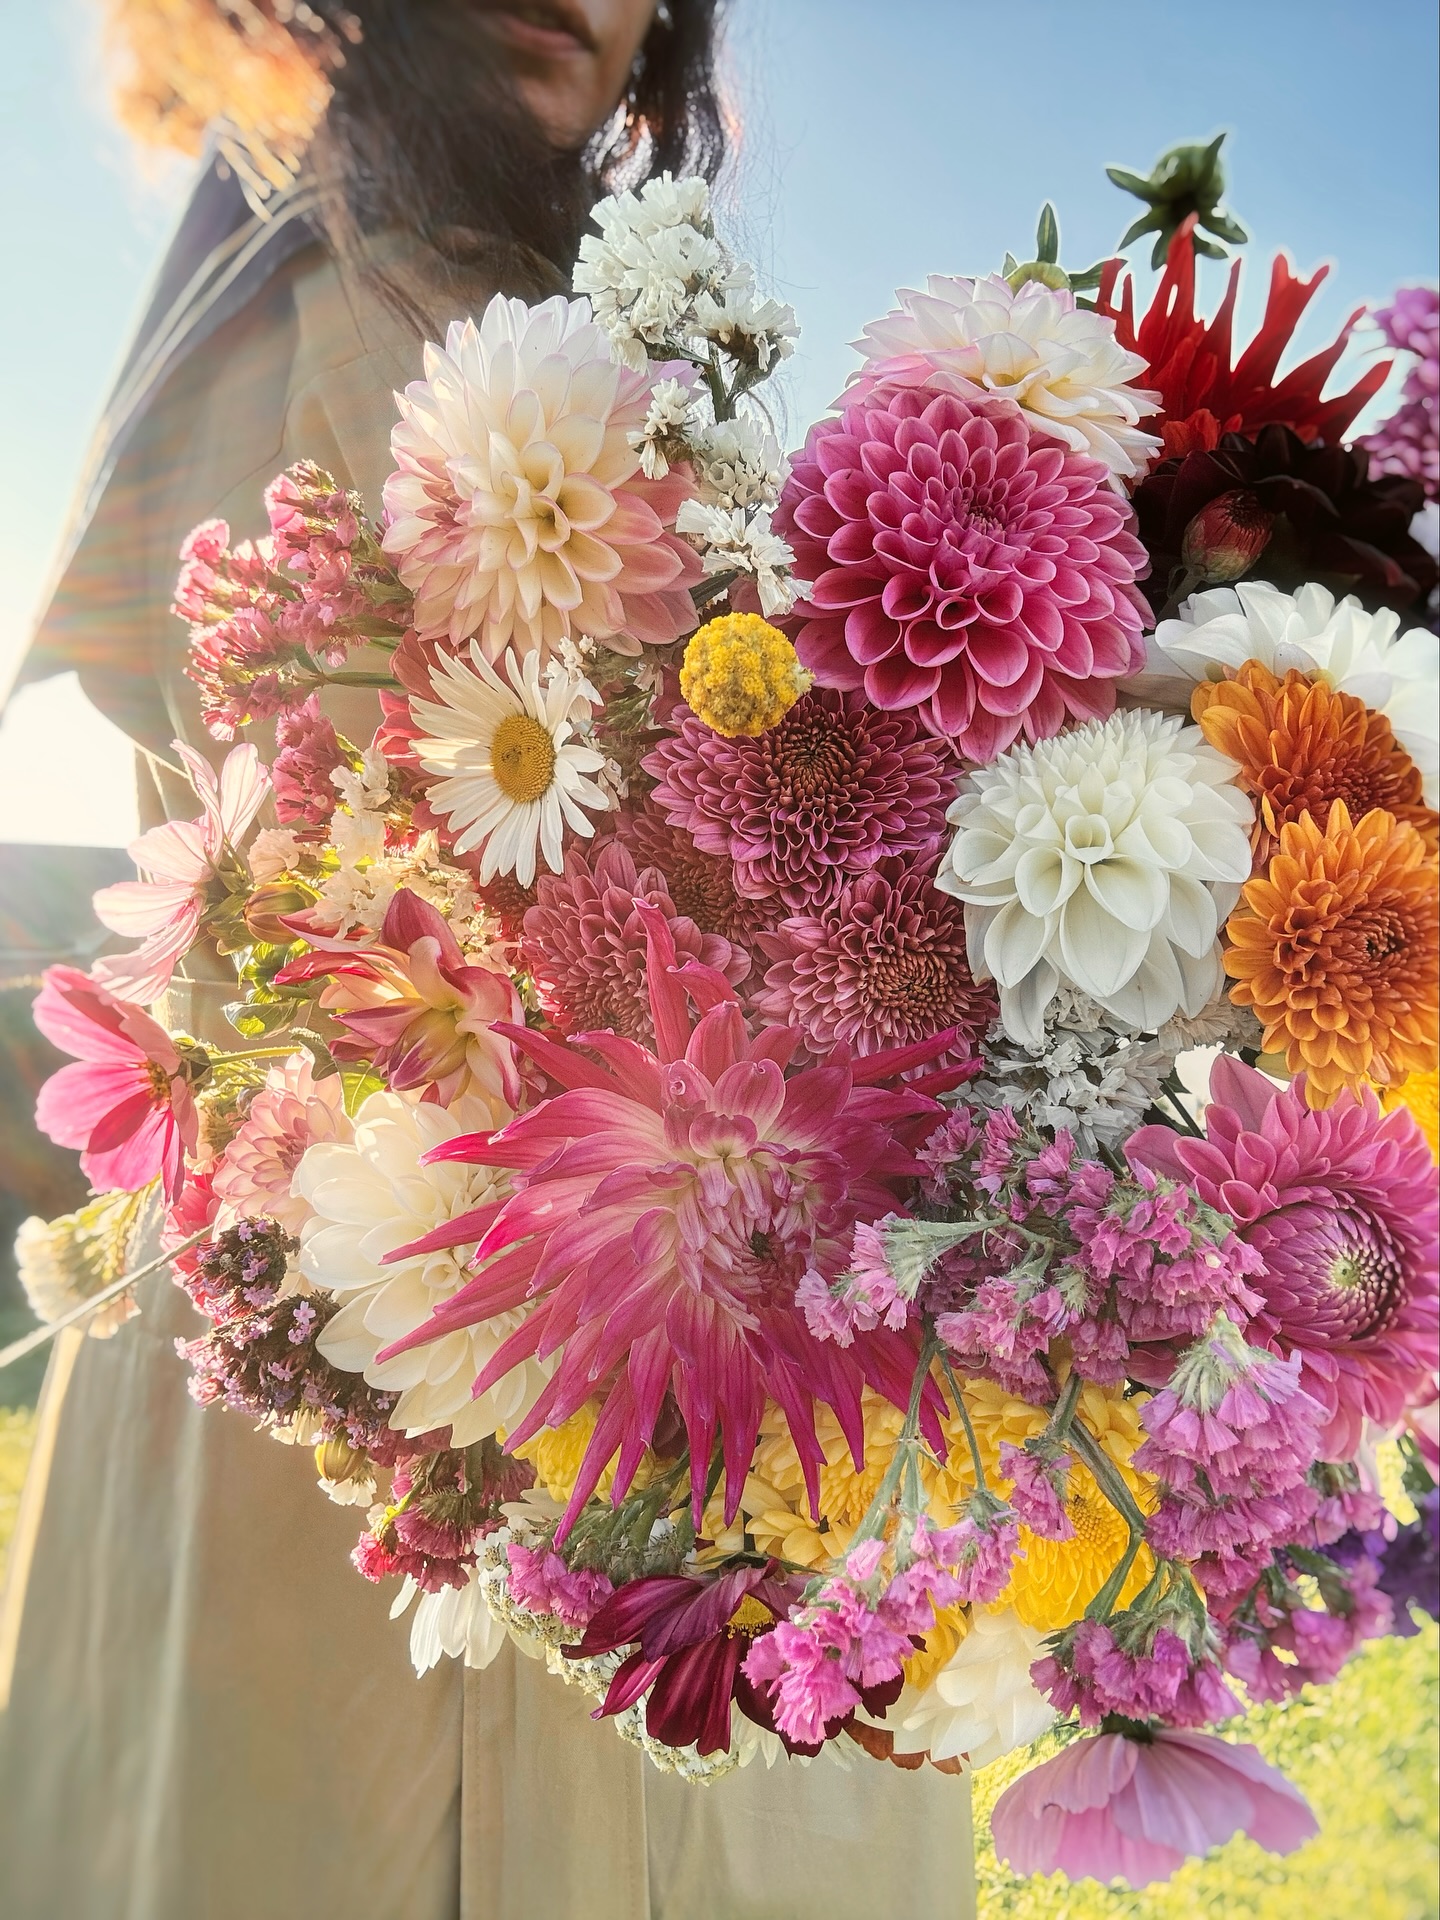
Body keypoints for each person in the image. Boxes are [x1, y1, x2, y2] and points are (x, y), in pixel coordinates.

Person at [0, 6, 975, 1916]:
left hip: (675, 1339)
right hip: (368, 1394)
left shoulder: (586, 331)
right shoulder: (306, 302)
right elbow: (455, 860)